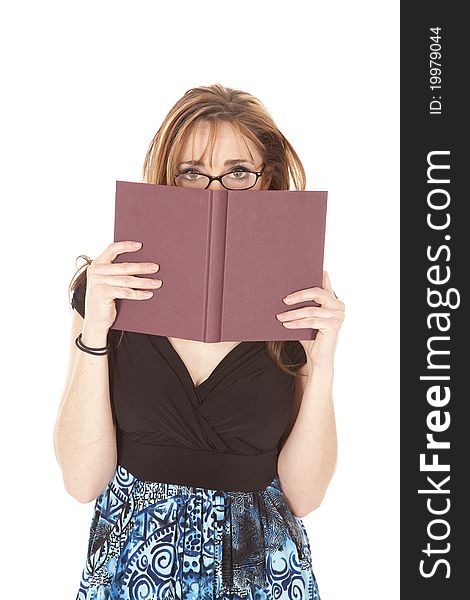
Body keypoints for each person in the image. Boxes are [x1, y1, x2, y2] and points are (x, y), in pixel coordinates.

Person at [54, 83, 345, 600]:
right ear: (168, 177)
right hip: (130, 574)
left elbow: (305, 495)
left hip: (262, 577)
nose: (213, 193)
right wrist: (95, 328)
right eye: (192, 172)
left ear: (268, 179)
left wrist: (323, 364)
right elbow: (80, 481)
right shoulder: (108, 290)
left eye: (237, 173)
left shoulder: (296, 299)